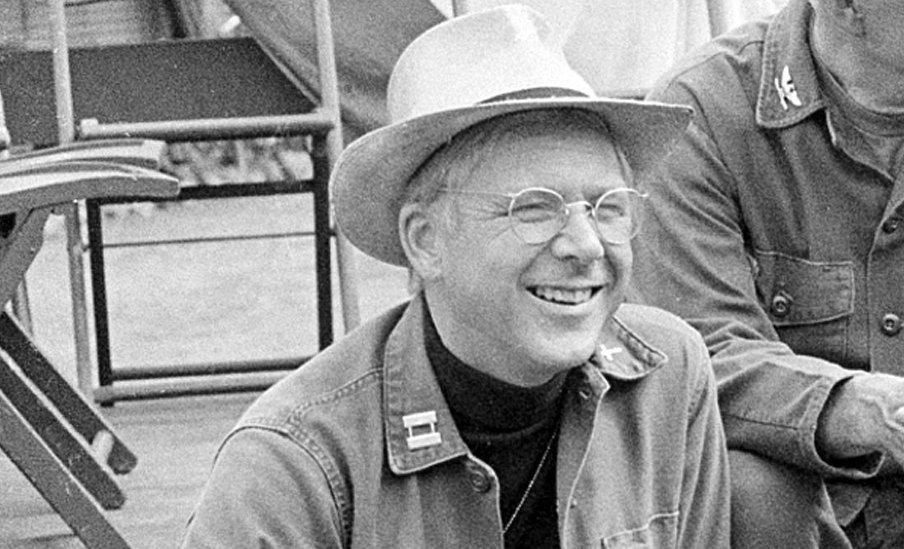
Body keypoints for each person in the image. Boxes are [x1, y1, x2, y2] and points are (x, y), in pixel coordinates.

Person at [182, 6, 730, 548]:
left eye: (609, 207)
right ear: (424, 241)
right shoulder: (294, 464)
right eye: (534, 209)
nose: (586, 245)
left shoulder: (668, 377)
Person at [633, 0, 904, 546]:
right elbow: (695, 356)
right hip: (797, 510)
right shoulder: (704, 110)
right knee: (746, 485)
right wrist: (864, 409)